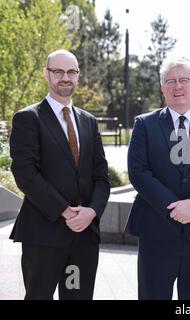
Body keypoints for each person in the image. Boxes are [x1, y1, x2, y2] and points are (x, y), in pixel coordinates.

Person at [125, 57, 190, 300]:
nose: (177, 87)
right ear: (162, 87)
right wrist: (173, 208)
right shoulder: (144, 124)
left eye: (184, 80)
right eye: (170, 81)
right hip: (156, 230)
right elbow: (138, 172)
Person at [9, 49, 110, 300]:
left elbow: (101, 176)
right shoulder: (27, 119)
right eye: (59, 72)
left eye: (72, 72)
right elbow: (26, 174)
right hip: (43, 234)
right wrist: (65, 211)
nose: (66, 77)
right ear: (47, 74)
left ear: (78, 75)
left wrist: (92, 212)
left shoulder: (88, 121)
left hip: (84, 236)